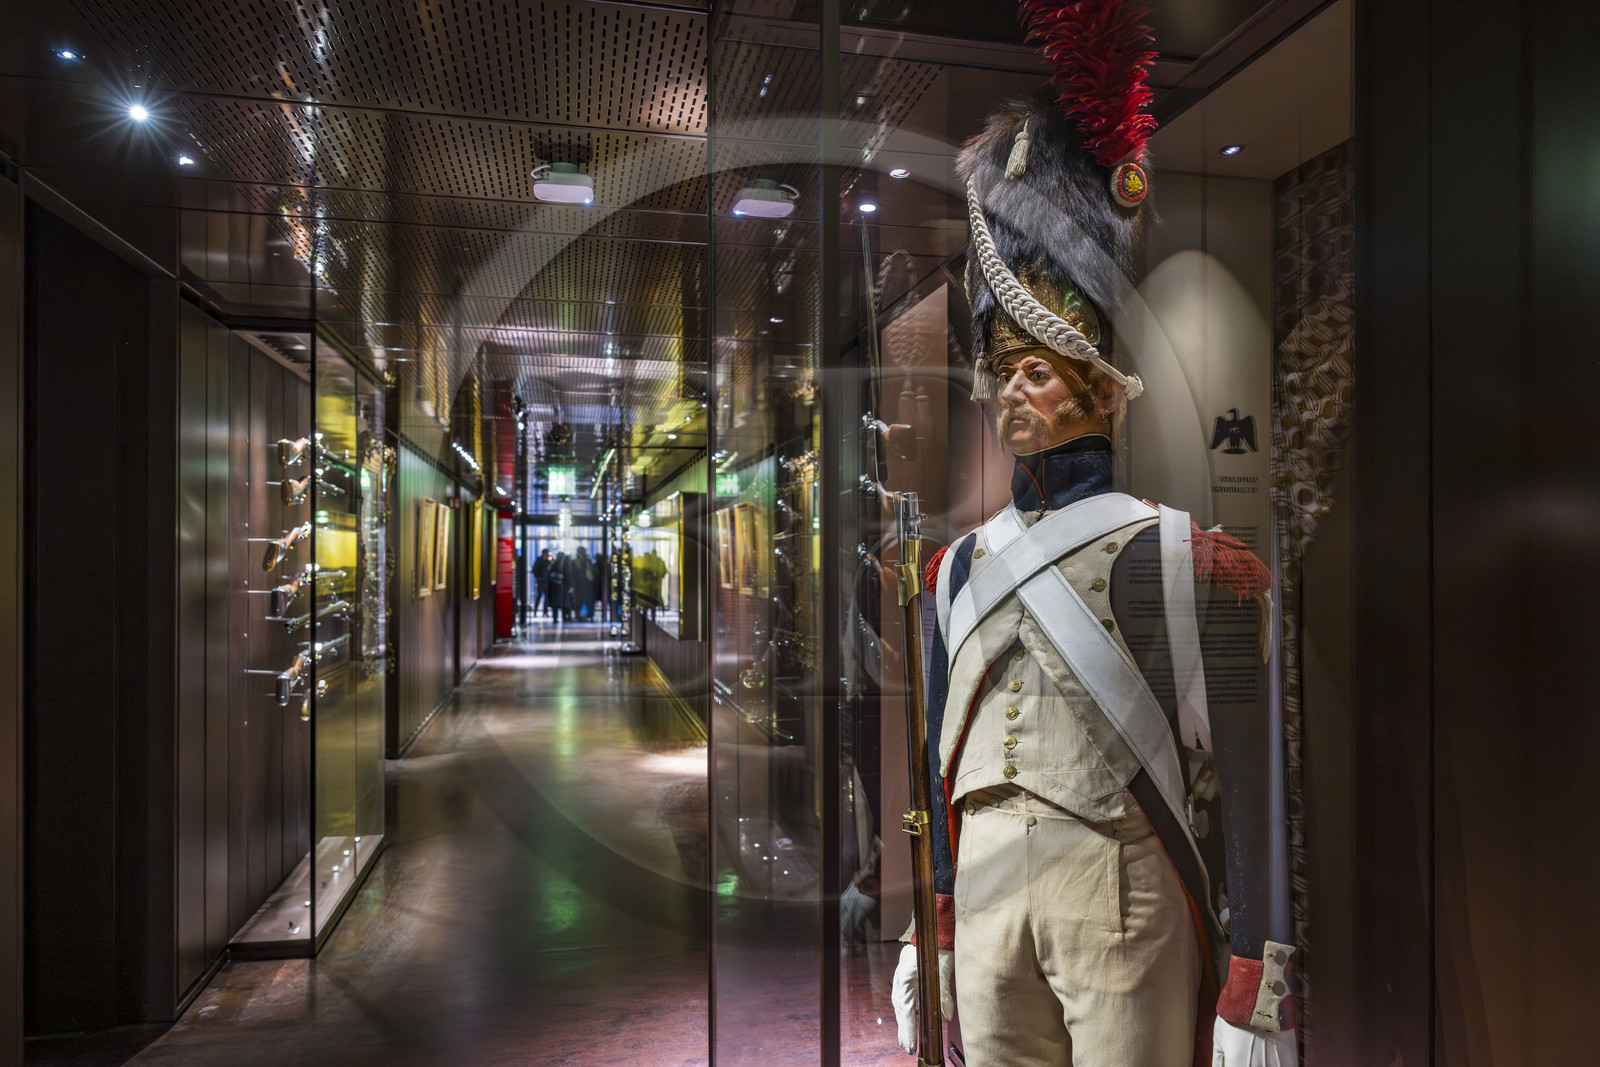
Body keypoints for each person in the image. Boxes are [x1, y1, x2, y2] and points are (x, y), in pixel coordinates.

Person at [889, 12, 1296, 1065]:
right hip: (981, 902)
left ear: (1101, 388)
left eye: (1041, 367)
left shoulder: (1192, 563)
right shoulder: (952, 574)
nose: (1014, 391)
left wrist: (1253, 979)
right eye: (1003, 367)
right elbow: (939, 774)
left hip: (1121, 895)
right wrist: (926, 926)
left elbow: (1252, 787)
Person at [546, 551, 567, 622]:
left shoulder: (553, 564)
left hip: (553, 587)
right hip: (561, 587)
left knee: (555, 604)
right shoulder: (564, 565)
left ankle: (555, 618)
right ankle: (564, 617)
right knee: (562, 603)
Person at [532, 548, 553, 616]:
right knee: (539, 596)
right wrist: (538, 577)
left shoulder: (548, 562)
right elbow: (534, 570)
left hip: (546, 581)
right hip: (541, 581)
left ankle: (545, 612)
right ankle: (535, 611)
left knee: (546, 597)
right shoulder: (539, 561)